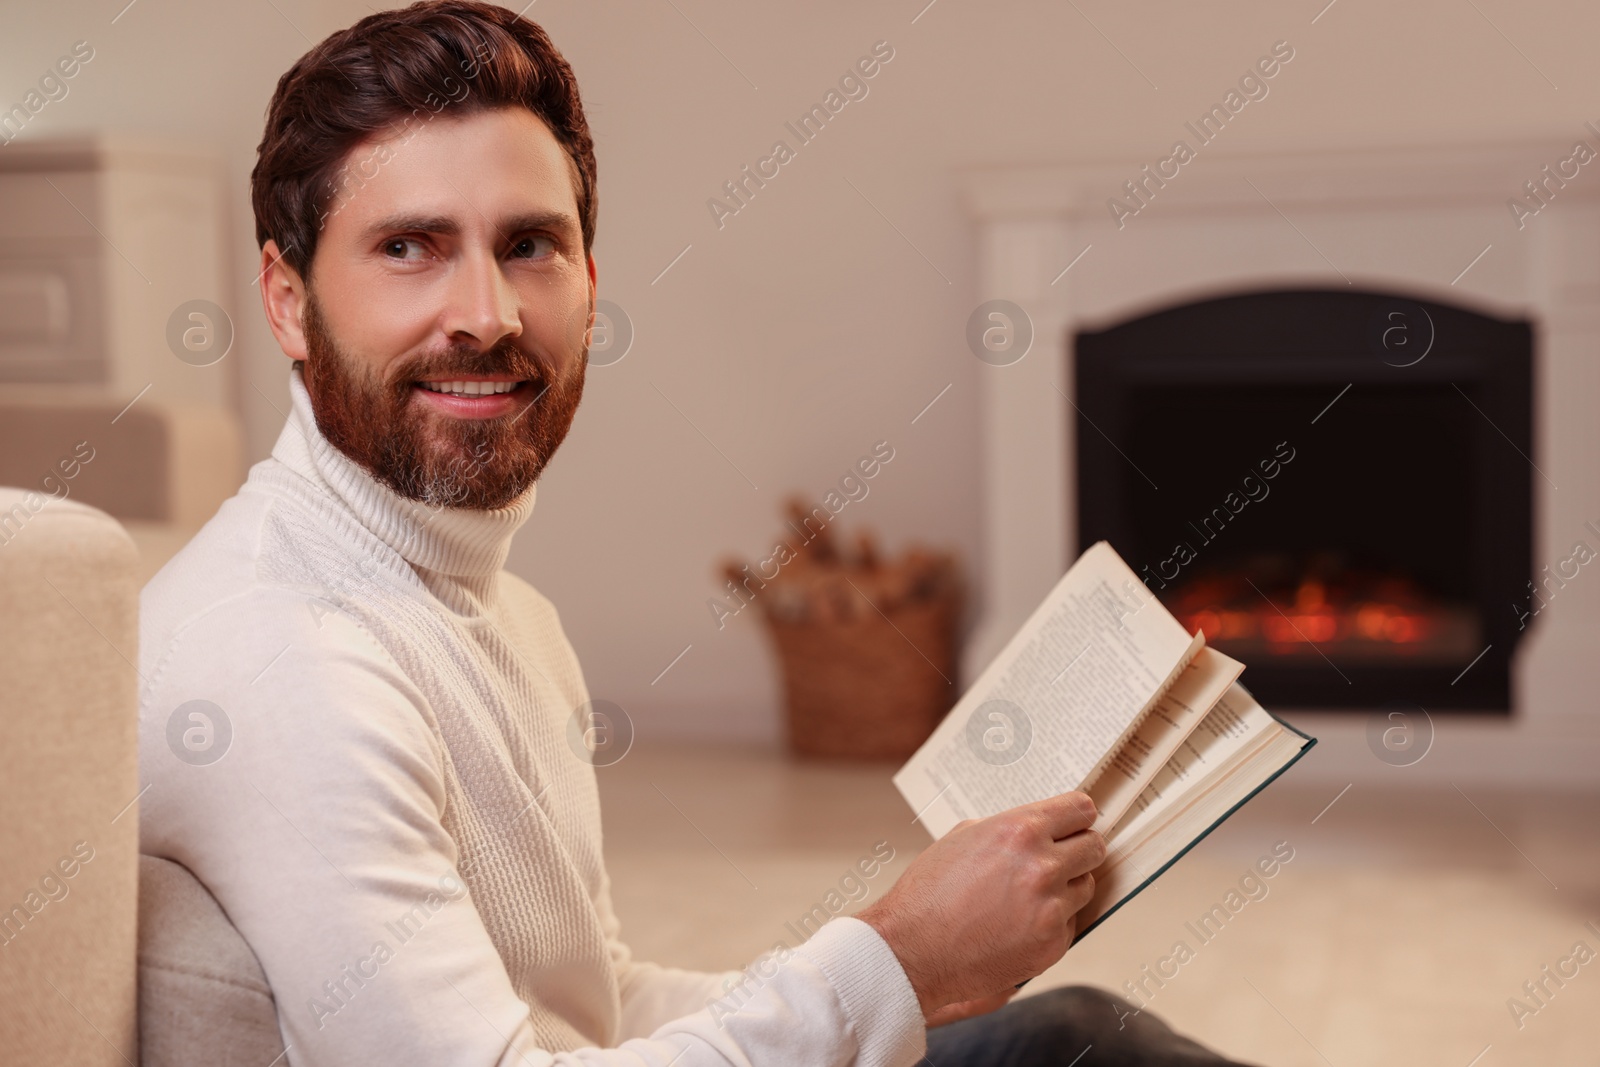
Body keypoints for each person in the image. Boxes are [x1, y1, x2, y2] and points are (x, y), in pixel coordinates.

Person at [138, 3, 1258, 1064]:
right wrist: (903, 959)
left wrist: (907, 949)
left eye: (528, 245)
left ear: (588, 281)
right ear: (287, 299)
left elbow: (595, 1007)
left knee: (1073, 1032)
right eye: (408, 248)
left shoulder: (502, 613)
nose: (485, 312)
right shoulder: (293, 661)